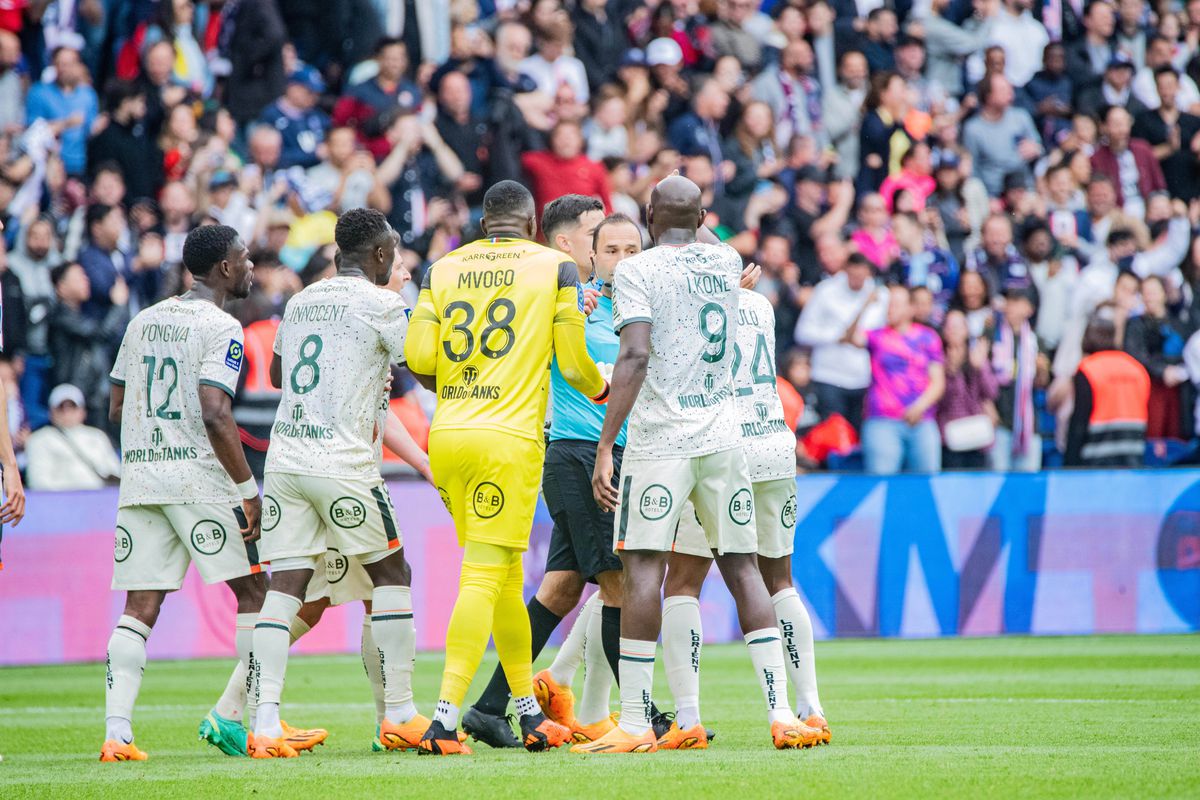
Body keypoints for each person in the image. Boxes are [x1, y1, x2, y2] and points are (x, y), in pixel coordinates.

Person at [577, 174, 815, 754]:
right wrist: (695, 218)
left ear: (651, 215)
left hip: (661, 441)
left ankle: (635, 721)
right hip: (723, 438)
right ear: (703, 215)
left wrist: (607, 444)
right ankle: (783, 714)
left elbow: (633, 354)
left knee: (642, 569)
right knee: (744, 570)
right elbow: (699, 237)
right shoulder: (726, 263)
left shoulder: (638, 270)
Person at [405, 181, 609, 754]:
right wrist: (603, 388)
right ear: (533, 225)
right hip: (508, 438)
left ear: (484, 220)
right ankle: (444, 720)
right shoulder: (555, 269)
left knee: (496, 574)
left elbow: (418, 356)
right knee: (483, 575)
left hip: (448, 434)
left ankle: (526, 712)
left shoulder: (442, 269)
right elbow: (574, 363)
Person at [249, 209, 419, 759]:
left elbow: (277, 377)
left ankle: (265, 723)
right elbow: (423, 363)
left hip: (286, 461)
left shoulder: (300, 301)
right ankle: (400, 713)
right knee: (393, 573)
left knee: (287, 585)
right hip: (342, 463)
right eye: (392, 253)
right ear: (378, 256)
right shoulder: (381, 303)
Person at [100, 224, 268, 762]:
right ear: (223, 268)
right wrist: (247, 489)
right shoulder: (223, 328)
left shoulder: (142, 321)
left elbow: (117, 409)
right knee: (257, 595)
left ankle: (117, 735)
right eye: (244, 259)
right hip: (198, 478)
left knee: (139, 607)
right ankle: (250, 721)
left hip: (143, 477)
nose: (250, 268)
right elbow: (216, 410)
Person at [459, 195, 614, 749]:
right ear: (565, 242)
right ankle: (644, 714)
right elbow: (573, 362)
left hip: (565, 448)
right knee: (618, 582)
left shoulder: (584, 293)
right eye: (596, 235)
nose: (602, 247)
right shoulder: (553, 286)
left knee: (561, 588)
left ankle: (489, 706)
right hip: (569, 448)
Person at [657, 278, 830, 751]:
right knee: (780, 580)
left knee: (682, 582)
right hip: (773, 443)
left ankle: (688, 717)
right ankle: (811, 707)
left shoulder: (687, 300)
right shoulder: (760, 304)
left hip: (720, 447)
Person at [849, 285, 947, 474]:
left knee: (926, 486)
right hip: (882, 421)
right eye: (888, 304)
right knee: (880, 484)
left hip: (921, 421)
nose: (889, 309)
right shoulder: (877, 336)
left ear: (911, 308)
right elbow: (849, 337)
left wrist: (919, 407)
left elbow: (938, 382)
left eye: (896, 304)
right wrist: (864, 306)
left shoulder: (928, 338)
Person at [793, 253, 888, 433]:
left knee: (858, 440)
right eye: (853, 273)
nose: (857, 279)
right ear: (846, 269)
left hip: (864, 380)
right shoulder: (825, 291)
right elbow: (803, 332)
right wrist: (836, 337)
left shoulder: (881, 295)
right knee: (833, 437)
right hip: (829, 377)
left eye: (863, 274)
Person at [1064, 308, 1151, 466]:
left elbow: (1079, 422)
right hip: (1133, 454)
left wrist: (1070, 464)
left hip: (1096, 457)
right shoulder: (1137, 368)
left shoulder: (1088, 369)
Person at [25, 383, 120, 490]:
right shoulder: (39, 440)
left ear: (83, 412)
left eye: (72, 406)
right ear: (51, 412)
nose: (67, 412)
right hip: (59, 501)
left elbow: (115, 473)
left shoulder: (98, 436)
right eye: (61, 407)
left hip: (100, 499)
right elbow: (38, 482)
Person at [937, 310, 999, 469]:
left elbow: (991, 392)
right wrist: (951, 373)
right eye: (950, 327)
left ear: (967, 330)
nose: (954, 331)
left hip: (977, 436)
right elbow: (941, 402)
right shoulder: (938, 360)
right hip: (949, 438)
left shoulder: (976, 356)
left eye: (958, 326)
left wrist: (980, 369)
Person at [990, 287, 1043, 471]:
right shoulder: (993, 336)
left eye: (1016, 302)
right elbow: (983, 379)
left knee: (1027, 486)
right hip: (1000, 422)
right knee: (997, 483)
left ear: (1029, 309)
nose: (1010, 307)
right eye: (1009, 302)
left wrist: (1043, 368)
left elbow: (1041, 383)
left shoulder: (1035, 340)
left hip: (1028, 425)